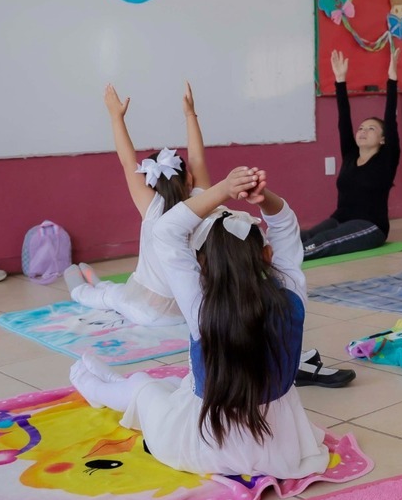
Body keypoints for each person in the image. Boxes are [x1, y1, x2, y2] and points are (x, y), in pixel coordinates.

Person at [69, 167, 332, 479]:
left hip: (209, 444)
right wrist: (263, 199)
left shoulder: (200, 305)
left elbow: (166, 231)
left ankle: (89, 385)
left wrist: (222, 190)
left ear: (201, 265)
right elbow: (286, 226)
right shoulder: (290, 292)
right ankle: (110, 382)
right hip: (281, 443)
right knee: (173, 386)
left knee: (145, 387)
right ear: (267, 254)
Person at [63, 83, 210, 327]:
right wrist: (189, 114)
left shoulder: (152, 206)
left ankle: (80, 287)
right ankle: (97, 282)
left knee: (109, 296)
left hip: (150, 314)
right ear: (190, 179)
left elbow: (126, 160)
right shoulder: (202, 200)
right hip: (193, 310)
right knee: (118, 291)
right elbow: (197, 158)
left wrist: (116, 117)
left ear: (150, 184)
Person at [301, 48, 400, 260]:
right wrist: (340, 80)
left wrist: (392, 79)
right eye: (361, 128)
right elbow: (344, 119)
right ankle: (264, 254)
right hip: (340, 219)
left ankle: (278, 261)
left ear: (383, 139)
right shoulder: (349, 155)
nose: (363, 131)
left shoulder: (386, 159)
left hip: (370, 226)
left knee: (322, 242)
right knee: (304, 236)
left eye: (371, 129)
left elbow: (390, 119)